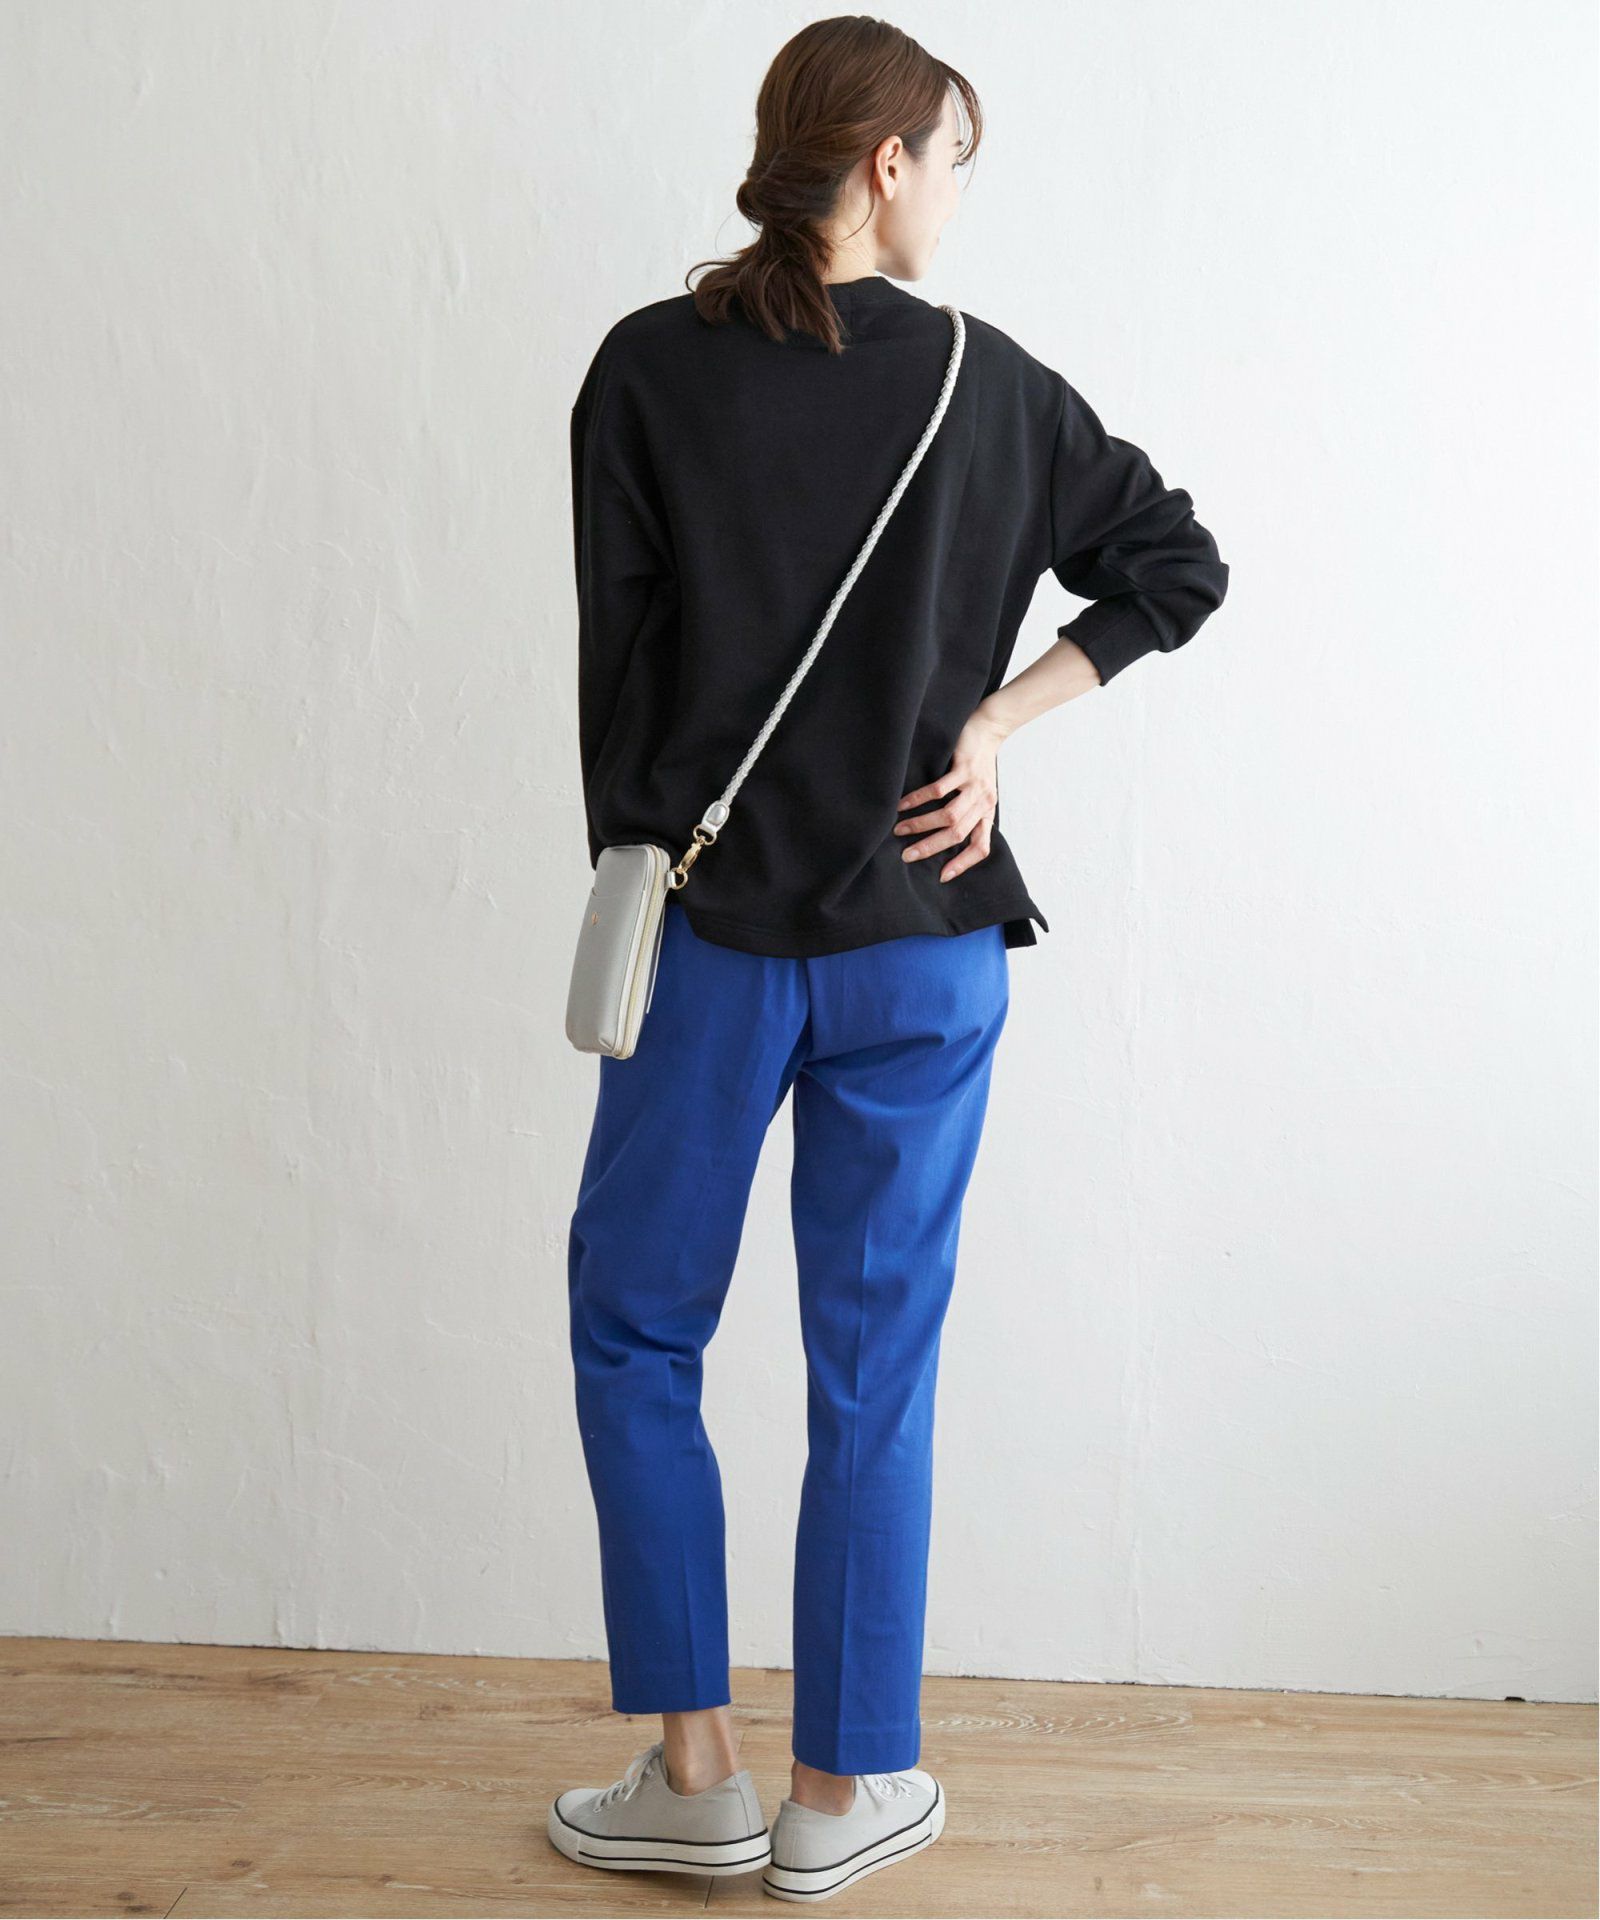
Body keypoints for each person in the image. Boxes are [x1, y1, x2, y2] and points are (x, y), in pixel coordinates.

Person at [549, 15, 1228, 1903]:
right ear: (886, 164)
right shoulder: (989, 388)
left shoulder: (644, 371)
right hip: (926, 949)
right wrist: (993, 725)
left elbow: (617, 678)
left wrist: (654, 840)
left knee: (636, 1330)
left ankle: (695, 1776)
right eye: (954, 160)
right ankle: (839, 1800)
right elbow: (1176, 566)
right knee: (875, 1375)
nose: (955, 198)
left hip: (712, 942)